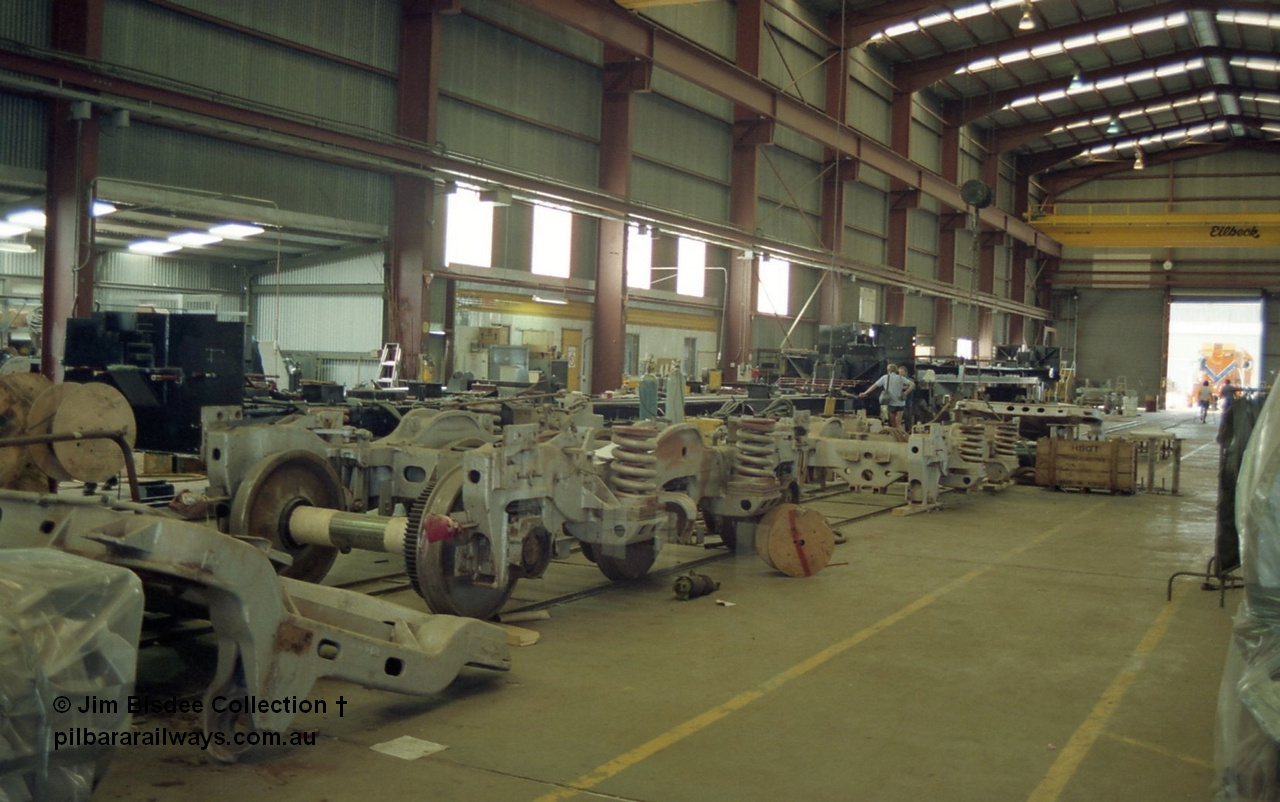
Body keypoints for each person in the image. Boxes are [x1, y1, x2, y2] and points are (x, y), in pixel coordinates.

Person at [859, 363, 915, 430]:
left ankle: (895, 436)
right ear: (896, 370)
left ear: (888, 370)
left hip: (891, 403)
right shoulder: (901, 378)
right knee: (898, 422)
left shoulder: (885, 378)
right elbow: (912, 384)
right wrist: (906, 392)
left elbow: (874, 386)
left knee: (893, 423)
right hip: (901, 403)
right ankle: (901, 437)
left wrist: (865, 393)